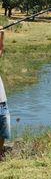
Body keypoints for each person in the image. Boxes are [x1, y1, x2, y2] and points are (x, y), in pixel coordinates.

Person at [0, 27, 10, 161]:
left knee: (3, 130)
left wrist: (1, 34)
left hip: (1, 102)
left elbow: (0, 49)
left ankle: (0, 154)